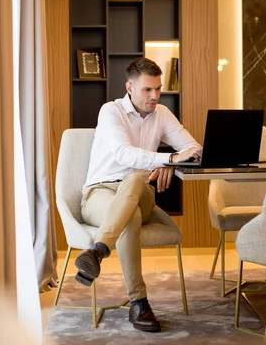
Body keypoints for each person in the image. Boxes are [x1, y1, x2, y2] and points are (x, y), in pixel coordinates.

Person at [75, 57, 201, 332]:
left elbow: (194, 148)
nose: (155, 96)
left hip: (141, 194)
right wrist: (166, 159)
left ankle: (99, 249)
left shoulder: (163, 114)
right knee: (128, 217)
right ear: (130, 88)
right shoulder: (111, 111)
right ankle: (139, 303)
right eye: (148, 90)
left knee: (133, 181)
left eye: (158, 89)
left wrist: (173, 161)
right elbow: (122, 153)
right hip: (100, 194)